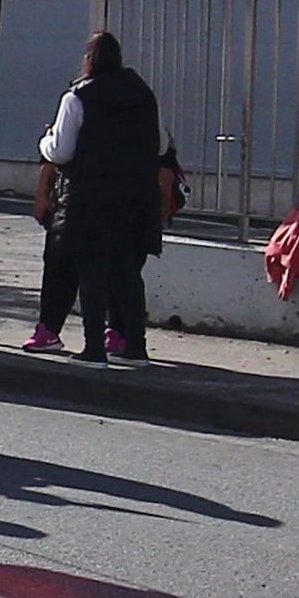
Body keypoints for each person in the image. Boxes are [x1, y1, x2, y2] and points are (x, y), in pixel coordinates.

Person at [36, 31, 175, 365]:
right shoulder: (144, 96)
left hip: (89, 197)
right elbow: (159, 147)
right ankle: (136, 347)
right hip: (136, 196)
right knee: (127, 273)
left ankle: (94, 348)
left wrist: (45, 140)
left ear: (89, 59)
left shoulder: (78, 96)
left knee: (92, 272)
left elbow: (61, 150)